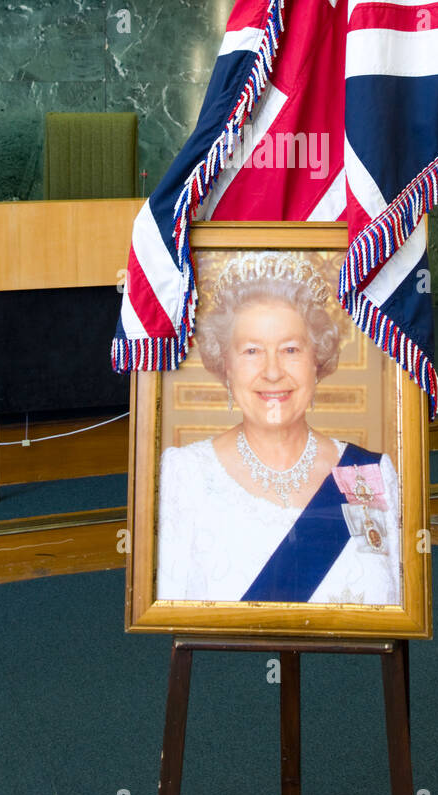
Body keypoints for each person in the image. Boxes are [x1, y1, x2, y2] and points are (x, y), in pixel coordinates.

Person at [156, 251, 401, 604]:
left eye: (290, 349)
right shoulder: (184, 475)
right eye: (252, 351)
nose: (272, 372)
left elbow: (393, 606)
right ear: (226, 365)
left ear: (316, 362)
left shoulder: (368, 474)